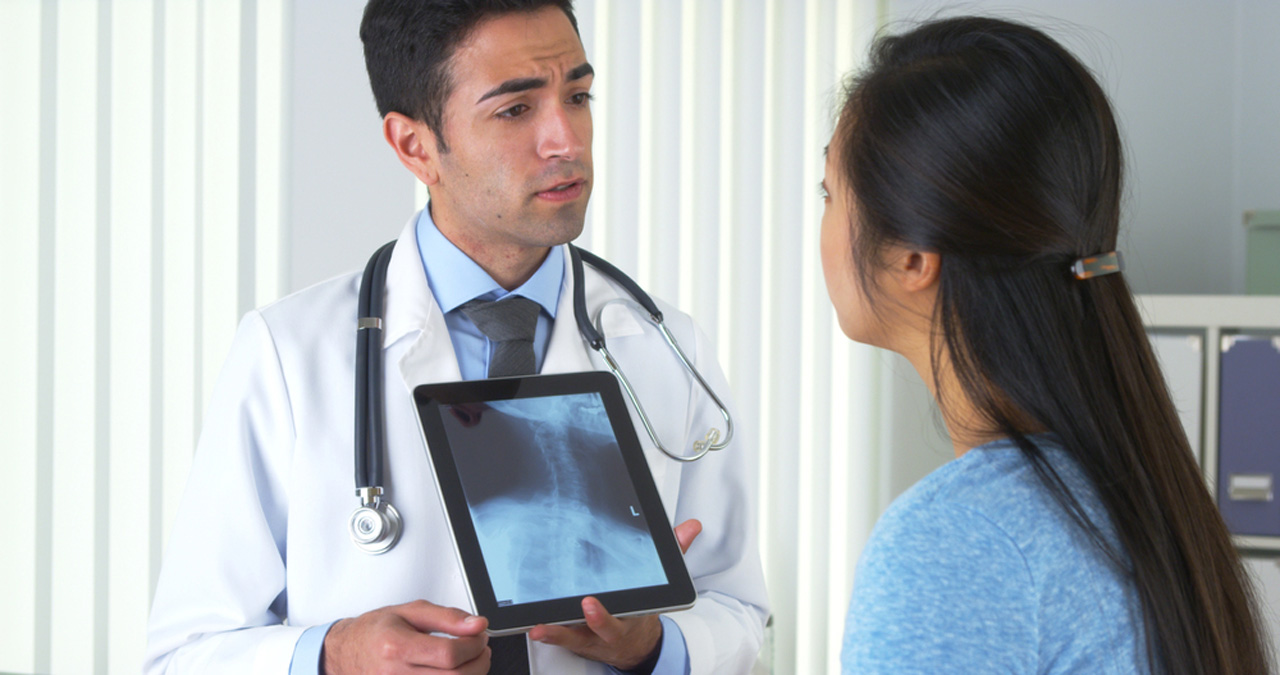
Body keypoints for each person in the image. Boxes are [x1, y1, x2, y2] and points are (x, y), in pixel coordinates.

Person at [142, 1, 768, 673]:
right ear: (415, 146)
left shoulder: (662, 345)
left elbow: (738, 610)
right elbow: (186, 651)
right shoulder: (289, 354)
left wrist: (656, 645)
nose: (566, 139)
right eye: (515, 110)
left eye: (578, 96)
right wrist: (329, 656)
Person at [818, 16, 1273, 674]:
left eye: (829, 192)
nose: (823, 221)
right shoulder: (1144, 498)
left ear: (914, 256)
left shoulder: (956, 539)